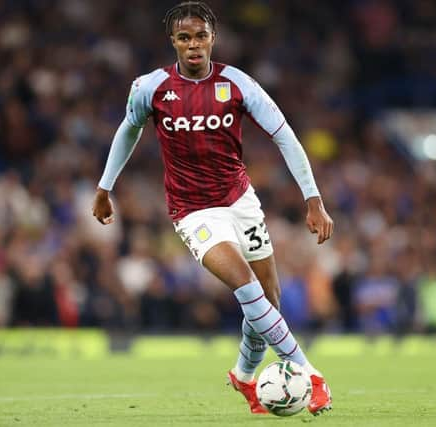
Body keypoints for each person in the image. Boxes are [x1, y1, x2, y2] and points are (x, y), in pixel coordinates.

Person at [92, 1, 334, 416]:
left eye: (200, 35)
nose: (193, 45)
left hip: (241, 201)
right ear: (173, 41)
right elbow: (127, 130)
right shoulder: (150, 89)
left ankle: (244, 374)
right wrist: (104, 186)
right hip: (193, 211)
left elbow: (286, 137)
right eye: (184, 37)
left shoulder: (238, 84)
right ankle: (308, 372)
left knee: (269, 301)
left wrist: (313, 197)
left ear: (212, 38)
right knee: (248, 289)